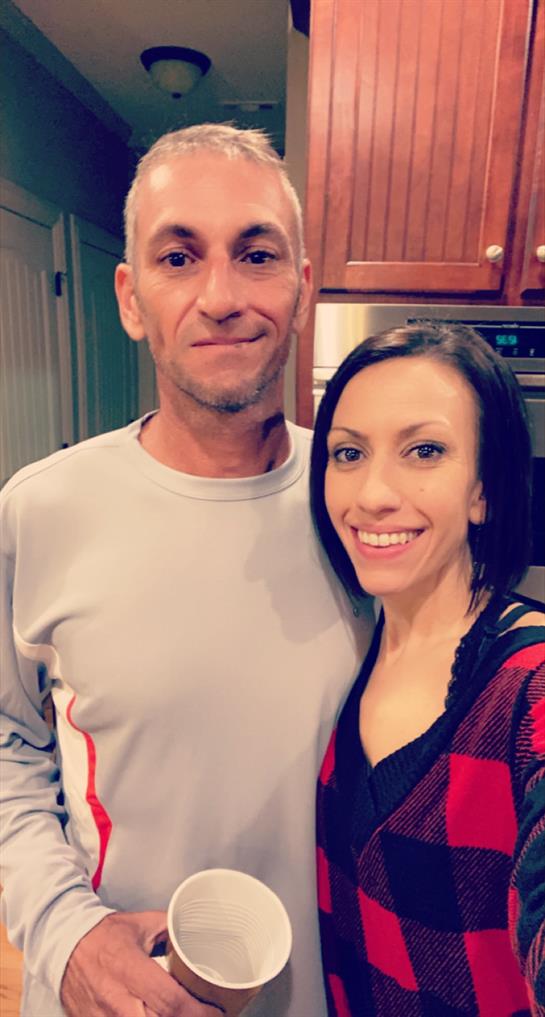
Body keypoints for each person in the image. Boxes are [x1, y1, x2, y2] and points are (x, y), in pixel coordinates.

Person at [0, 124, 374, 1017]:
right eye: (178, 257)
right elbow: (7, 742)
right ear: (130, 298)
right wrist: (65, 932)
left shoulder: (368, 512)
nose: (220, 297)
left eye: (256, 254)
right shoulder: (40, 509)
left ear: (301, 288)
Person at [309, 322, 545, 1016]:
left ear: (483, 489)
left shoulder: (528, 685)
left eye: (424, 451)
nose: (372, 494)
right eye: (349, 453)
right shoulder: (355, 645)